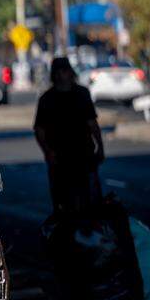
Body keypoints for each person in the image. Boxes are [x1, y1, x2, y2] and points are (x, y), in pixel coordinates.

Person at [34, 57, 105, 216]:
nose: (61, 76)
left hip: (83, 154)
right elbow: (39, 130)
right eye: (57, 72)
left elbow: (92, 123)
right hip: (60, 158)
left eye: (64, 71)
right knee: (63, 206)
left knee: (90, 203)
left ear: (70, 73)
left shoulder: (81, 94)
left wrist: (100, 147)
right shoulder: (47, 99)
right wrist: (48, 152)